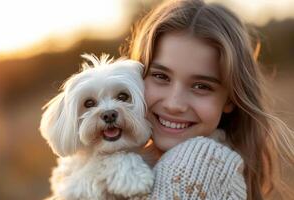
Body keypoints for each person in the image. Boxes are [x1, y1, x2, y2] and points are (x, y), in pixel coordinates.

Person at [120, 0, 294, 199]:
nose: (174, 104)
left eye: (201, 86)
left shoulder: (198, 164)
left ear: (230, 99)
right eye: (161, 76)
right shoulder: (137, 160)